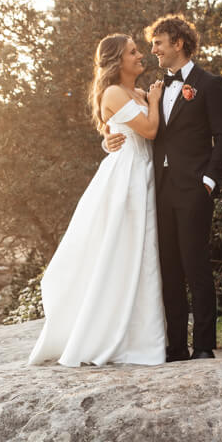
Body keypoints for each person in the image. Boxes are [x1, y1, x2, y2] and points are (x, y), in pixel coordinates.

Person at [27, 34, 167, 367]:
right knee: (123, 251)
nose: (140, 55)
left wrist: (146, 101)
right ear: (117, 61)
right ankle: (113, 334)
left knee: (143, 253)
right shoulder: (114, 92)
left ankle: (142, 334)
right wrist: (155, 101)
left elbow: (121, 130)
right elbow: (149, 130)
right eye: (132, 52)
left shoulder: (136, 93)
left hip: (144, 173)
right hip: (127, 179)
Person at [108, 15, 222, 361]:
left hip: (194, 189)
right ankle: (175, 346)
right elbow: (126, 124)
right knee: (168, 270)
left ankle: (204, 345)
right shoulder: (155, 90)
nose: (154, 51)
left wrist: (209, 181)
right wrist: (108, 140)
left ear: (178, 43)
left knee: (196, 266)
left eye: (159, 44)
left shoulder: (210, 84)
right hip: (159, 190)